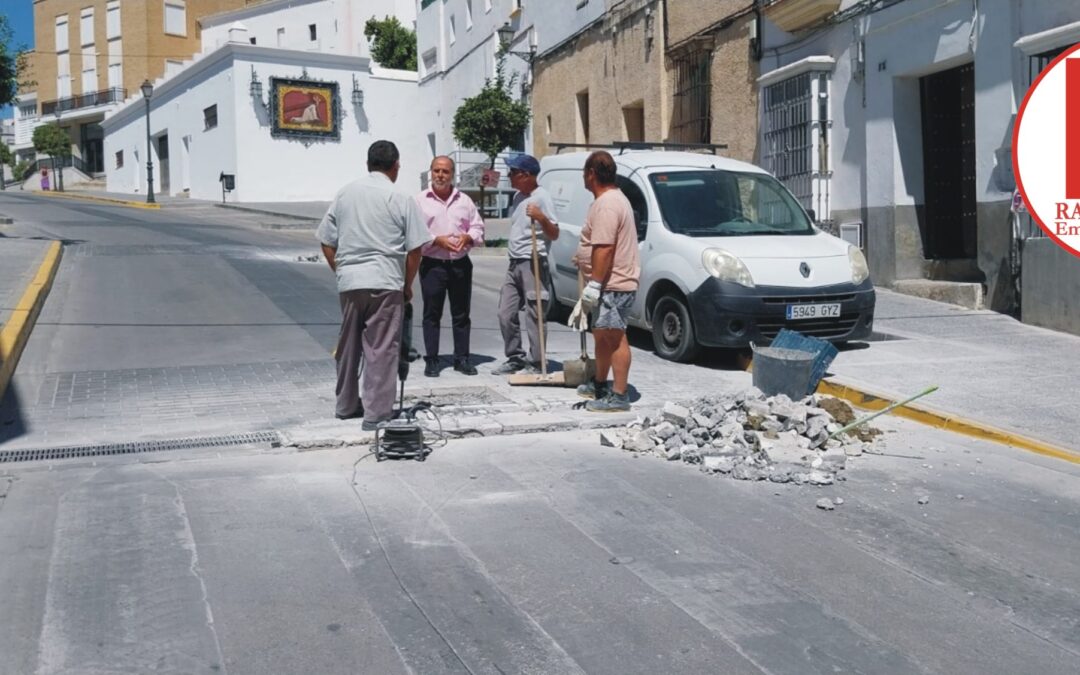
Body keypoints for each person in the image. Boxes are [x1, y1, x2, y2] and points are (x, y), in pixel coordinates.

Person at [316, 140, 432, 430]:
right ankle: (377, 413)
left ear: (368, 165)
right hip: (385, 282)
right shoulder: (401, 198)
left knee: (348, 345)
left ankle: (345, 405)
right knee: (381, 348)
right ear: (396, 167)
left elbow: (326, 241)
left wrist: (342, 271)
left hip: (351, 283)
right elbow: (416, 248)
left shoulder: (345, 194)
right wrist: (407, 285)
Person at [573, 151, 640, 412]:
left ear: (591, 174)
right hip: (607, 283)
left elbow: (604, 248)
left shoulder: (608, 203)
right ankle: (600, 384)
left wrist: (595, 284)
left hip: (613, 285)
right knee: (602, 336)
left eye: (584, 173)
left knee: (614, 338)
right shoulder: (608, 200)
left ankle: (619, 395)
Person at [415, 155, 485, 377]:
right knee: (431, 314)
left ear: (452, 174)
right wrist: (436, 240)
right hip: (432, 265)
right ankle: (432, 360)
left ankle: (462, 359)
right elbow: (414, 232)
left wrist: (469, 237)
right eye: (436, 171)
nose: (440, 175)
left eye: (445, 171)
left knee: (461, 314)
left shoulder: (464, 200)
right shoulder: (419, 201)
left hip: (460, 265)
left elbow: (478, 226)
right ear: (430, 172)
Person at [493, 154, 560, 374]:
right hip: (514, 263)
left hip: (533, 262)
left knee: (535, 313)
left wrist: (541, 217)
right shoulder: (518, 197)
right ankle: (515, 357)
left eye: (512, 173)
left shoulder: (542, 197)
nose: (509, 177)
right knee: (505, 313)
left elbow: (554, 233)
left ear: (526, 175)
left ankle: (537, 362)